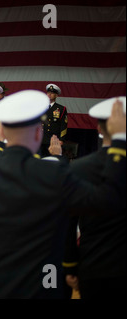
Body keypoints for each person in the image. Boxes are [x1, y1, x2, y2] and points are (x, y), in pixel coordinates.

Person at [0, 90, 126, 299]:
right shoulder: (57, 175)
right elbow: (107, 200)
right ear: (38, 133)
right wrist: (119, 143)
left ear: (3, 133)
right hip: (46, 282)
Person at [63, 97, 126, 299]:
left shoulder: (78, 169)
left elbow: (67, 223)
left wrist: (70, 265)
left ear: (98, 128)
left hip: (93, 266)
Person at [41, 84, 68, 157]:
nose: (49, 94)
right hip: (41, 139)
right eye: (48, 92)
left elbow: (64, 125)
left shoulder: (61, 109)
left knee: (51, 161)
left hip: (53, 140)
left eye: (52, 93)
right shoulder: (41, 107)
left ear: (56, 95)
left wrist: (61, 139)